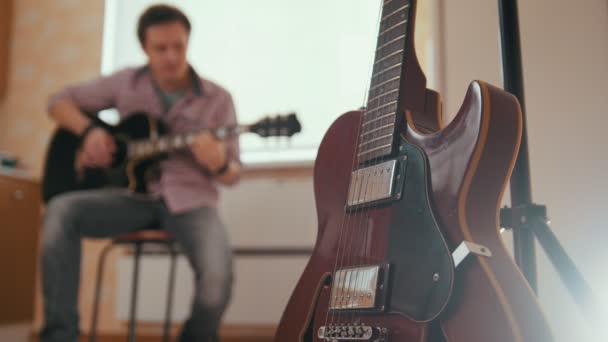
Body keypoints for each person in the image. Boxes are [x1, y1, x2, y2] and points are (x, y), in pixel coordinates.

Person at [41, 4, 240, 342]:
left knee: (218, 279)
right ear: (145, 48)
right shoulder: (126, 83)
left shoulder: (218, 99)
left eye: (179, 46)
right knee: (61, 211)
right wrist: (90, 132)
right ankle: (60, 336)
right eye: (161, 48)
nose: (172, 56)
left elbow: (233, 174)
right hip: (129, 198)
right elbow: (58, 102)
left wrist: (219, 162)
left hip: (190, 203)